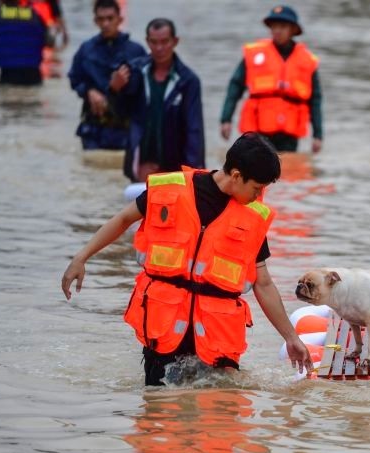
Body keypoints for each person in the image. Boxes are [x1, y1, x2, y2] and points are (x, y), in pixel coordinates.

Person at [61, 132, 313, 386]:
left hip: (216, 337)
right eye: (257, 188)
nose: (258, 196)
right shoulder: (171, 190)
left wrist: (291, 337)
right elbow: (123, 219)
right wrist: (81, 258)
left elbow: (263, 283)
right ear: (236, 175)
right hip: (164, 328)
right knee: (158, 411)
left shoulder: (252, 217)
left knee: (221, 414)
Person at [220, 5, 323, 154]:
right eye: (274, 26)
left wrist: (317, 135)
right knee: (254, 171)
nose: (277, 31)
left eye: (282, 26)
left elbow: (315, 100)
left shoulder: (307, 61)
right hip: (257, 129)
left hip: (289, 134)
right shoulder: (254, 54)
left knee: (286, 172)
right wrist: (226, 119)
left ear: (293, 30)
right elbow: (235, 87)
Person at [112, 18, 204, 182]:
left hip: (175, 171)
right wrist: (114, 90)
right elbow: (119, 115)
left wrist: (196, 176)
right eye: (154, 42)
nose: (159, 48)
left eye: (164, 42)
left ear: (175, 41)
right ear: (147, 42)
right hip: (140, 167)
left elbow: (194, 131)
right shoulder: (134, 72)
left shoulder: (188, 81)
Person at [67, 0, 146, 150]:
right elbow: (74, 78)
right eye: (101, 19)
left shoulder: (136, 52)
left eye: (110, 18)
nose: (106, 24)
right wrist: (88, 91)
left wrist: (117, 88)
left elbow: (143, 90)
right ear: (95, 21)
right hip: (93, 131)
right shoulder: (86, 50)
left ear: (120, 19)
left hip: (125, 131)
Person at [0, 0, 46, 86]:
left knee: (8, 96)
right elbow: (48, 40)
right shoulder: (33, 14)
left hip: (8, 74)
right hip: (33, 74)